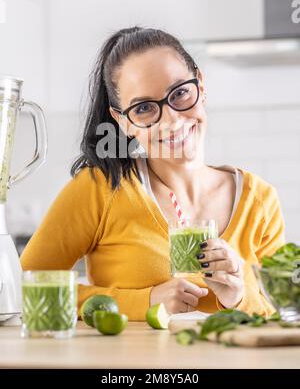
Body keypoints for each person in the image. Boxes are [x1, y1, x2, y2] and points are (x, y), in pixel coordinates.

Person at [21, 27, 285, 320]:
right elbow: (23, 287)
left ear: (201, 84)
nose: (172, 120)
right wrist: (143, 301)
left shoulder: (259, 201)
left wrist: (238, 297)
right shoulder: (100, 189)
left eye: (181, 92)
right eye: (144, 108)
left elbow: (283, 317)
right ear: (122, 121)